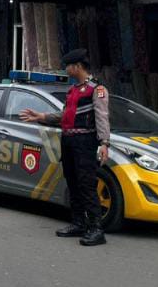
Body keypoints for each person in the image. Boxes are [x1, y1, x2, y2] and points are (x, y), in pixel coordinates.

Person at [20, 48, 111, 247]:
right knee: (73, 183)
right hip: (69, 142)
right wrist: (41, 117)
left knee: (87, 185)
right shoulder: (72, 90)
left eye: (68, 66)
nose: (66, 69)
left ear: (77, 66)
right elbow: (64, 117)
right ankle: (79, 223)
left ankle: (96, 229)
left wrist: (104, 143)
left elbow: (102, 117)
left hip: (85, 143)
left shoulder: (96, 89)